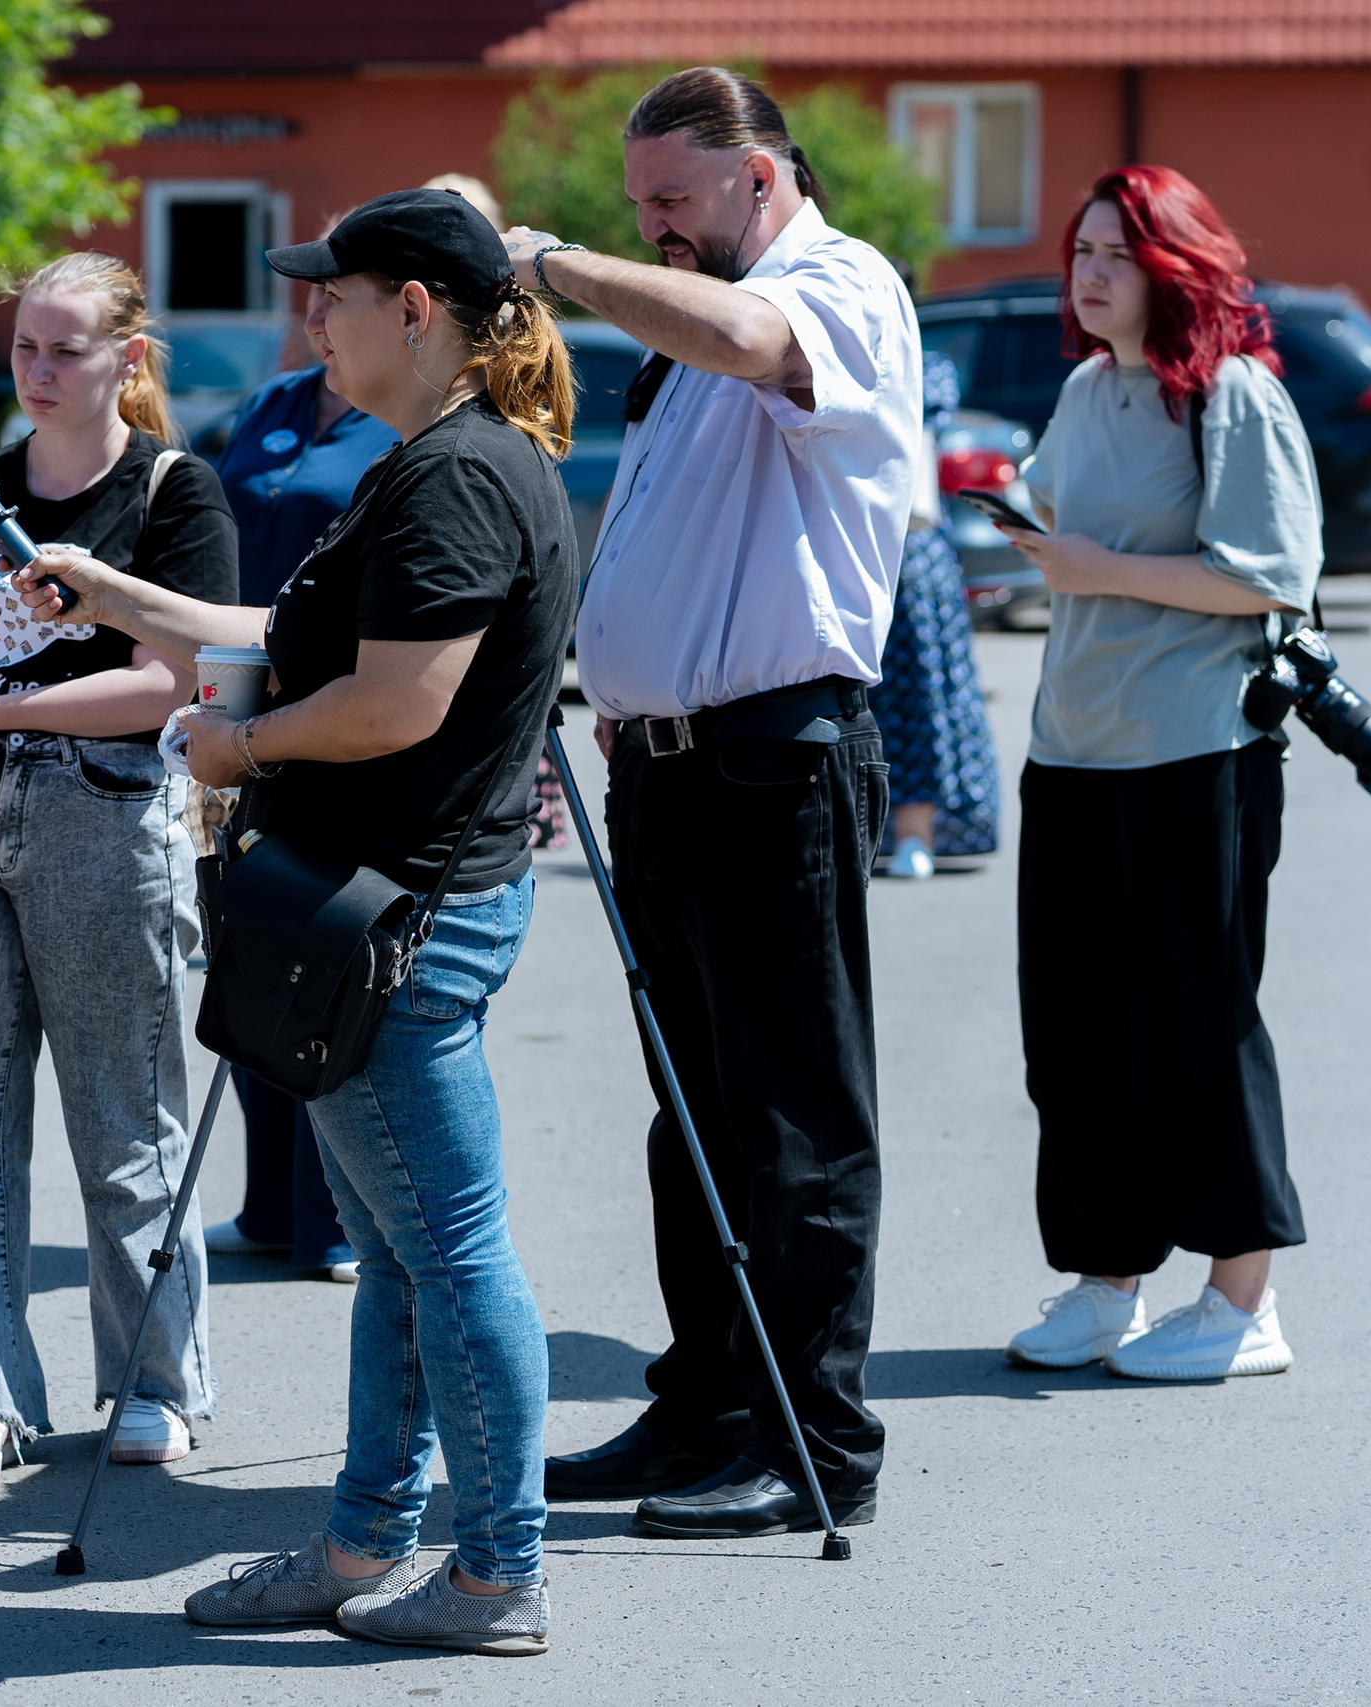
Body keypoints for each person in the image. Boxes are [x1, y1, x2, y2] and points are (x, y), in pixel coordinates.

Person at [14, 187, 577, 1656]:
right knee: (405, 1253)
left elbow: (395, 703)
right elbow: (290, 635)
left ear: (418, 311)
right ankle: (364, 1540)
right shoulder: (440, 459)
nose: (309, 316)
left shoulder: (457, 475)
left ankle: (496, 1571)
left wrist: (237, 749)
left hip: (392, 916)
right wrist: (113, 590)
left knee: (448, 1253)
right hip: (393, 904)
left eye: (336, 292)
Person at [505, 66, 917, 1540]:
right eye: (636, 206)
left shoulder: (834, 284)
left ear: (759, 174)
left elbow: (753, 345)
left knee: (794, 1118)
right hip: (672, 766)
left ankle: (814, 1444)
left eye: (671, 199)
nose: (653, 230)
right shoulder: (702, 311)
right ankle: (708, 1409)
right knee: (693, 1119)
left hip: (772, 757)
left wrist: (556, 264)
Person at [0, 252, 236, 1484]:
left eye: (64, 349)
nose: (36, 369)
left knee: (124, 1116)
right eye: (25, 345)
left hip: (104, 813)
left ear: (128, 360)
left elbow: (165, 684)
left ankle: (154, 1382)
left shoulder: (175, 492)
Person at [993, 167, 1317, 1380]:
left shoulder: (1231, 395)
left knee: (1195, 1024)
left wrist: (1096, 569)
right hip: (1070, 749)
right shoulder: (1087, 388)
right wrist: (1012, 517)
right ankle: (1105, 1283)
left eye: (1115, 255)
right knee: (1073, 1034)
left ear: (1173, 267)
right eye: (1079, 252)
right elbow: (1059, 517)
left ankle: (1242, 1303)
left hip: (1194, 753)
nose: (1088, 274)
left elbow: (1269, 574)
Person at [203, 229, 401, 1285]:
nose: (316, 317)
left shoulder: (402, 418)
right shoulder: (278, 401)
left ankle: (333, 1219)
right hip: (239, 700)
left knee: (319, 961)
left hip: (333, 710)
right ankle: (271, 1204)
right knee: (244, 944)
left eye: (334, 297)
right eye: (308, 299)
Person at [871, 347, 1002, 879]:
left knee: (917, 695)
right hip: (876, 553)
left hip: (908, 554)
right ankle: (885, 833)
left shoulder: (915, 366)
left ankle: (914, 835)